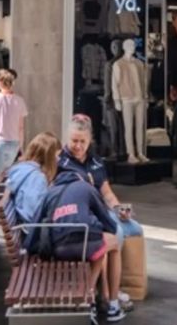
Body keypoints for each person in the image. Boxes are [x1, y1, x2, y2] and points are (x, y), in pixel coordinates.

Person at [4, 132, 122, 325]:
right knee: (105, 245)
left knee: (97, 245)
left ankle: (98, 298)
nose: (58, 161)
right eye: (57, 156)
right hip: (51, 239)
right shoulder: (38, 178)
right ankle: (104, 301)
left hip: (47, 238)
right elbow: (37, 215)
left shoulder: (25, 173)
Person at [58, 114, 144, 313]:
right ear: (67, 139)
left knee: (134, 228)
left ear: (90, 140)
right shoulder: (61, 161)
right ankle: (107, 292)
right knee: (114, 234)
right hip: (80, 215)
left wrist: (119, 209)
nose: (78, 146)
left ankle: (119, 283)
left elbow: (106, 193)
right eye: (74, 141)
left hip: (101, 211)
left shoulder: (96, 161)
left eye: (83, 142)